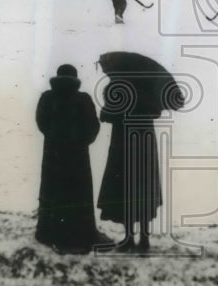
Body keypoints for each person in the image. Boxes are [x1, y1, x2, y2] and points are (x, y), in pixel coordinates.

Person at [36, 64, 109, 254]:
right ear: (76, 79)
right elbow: (93, 126)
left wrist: (54, 137)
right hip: (78, 157)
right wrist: (81, 141)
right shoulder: (83, 99)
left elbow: (41, 122)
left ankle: (48, 232)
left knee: (52, 191)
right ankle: (80, 235)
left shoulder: (47, 97)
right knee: (78, 194)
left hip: (53, 154)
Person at [97, 83, 162, 254]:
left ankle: (128, 239)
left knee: (124, 191)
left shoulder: (117, 87)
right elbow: (157, 111)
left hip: (123, 146)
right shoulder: (148, 89)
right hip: (145, 146)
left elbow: (106, 114)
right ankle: (144, 239)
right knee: (143, 192)